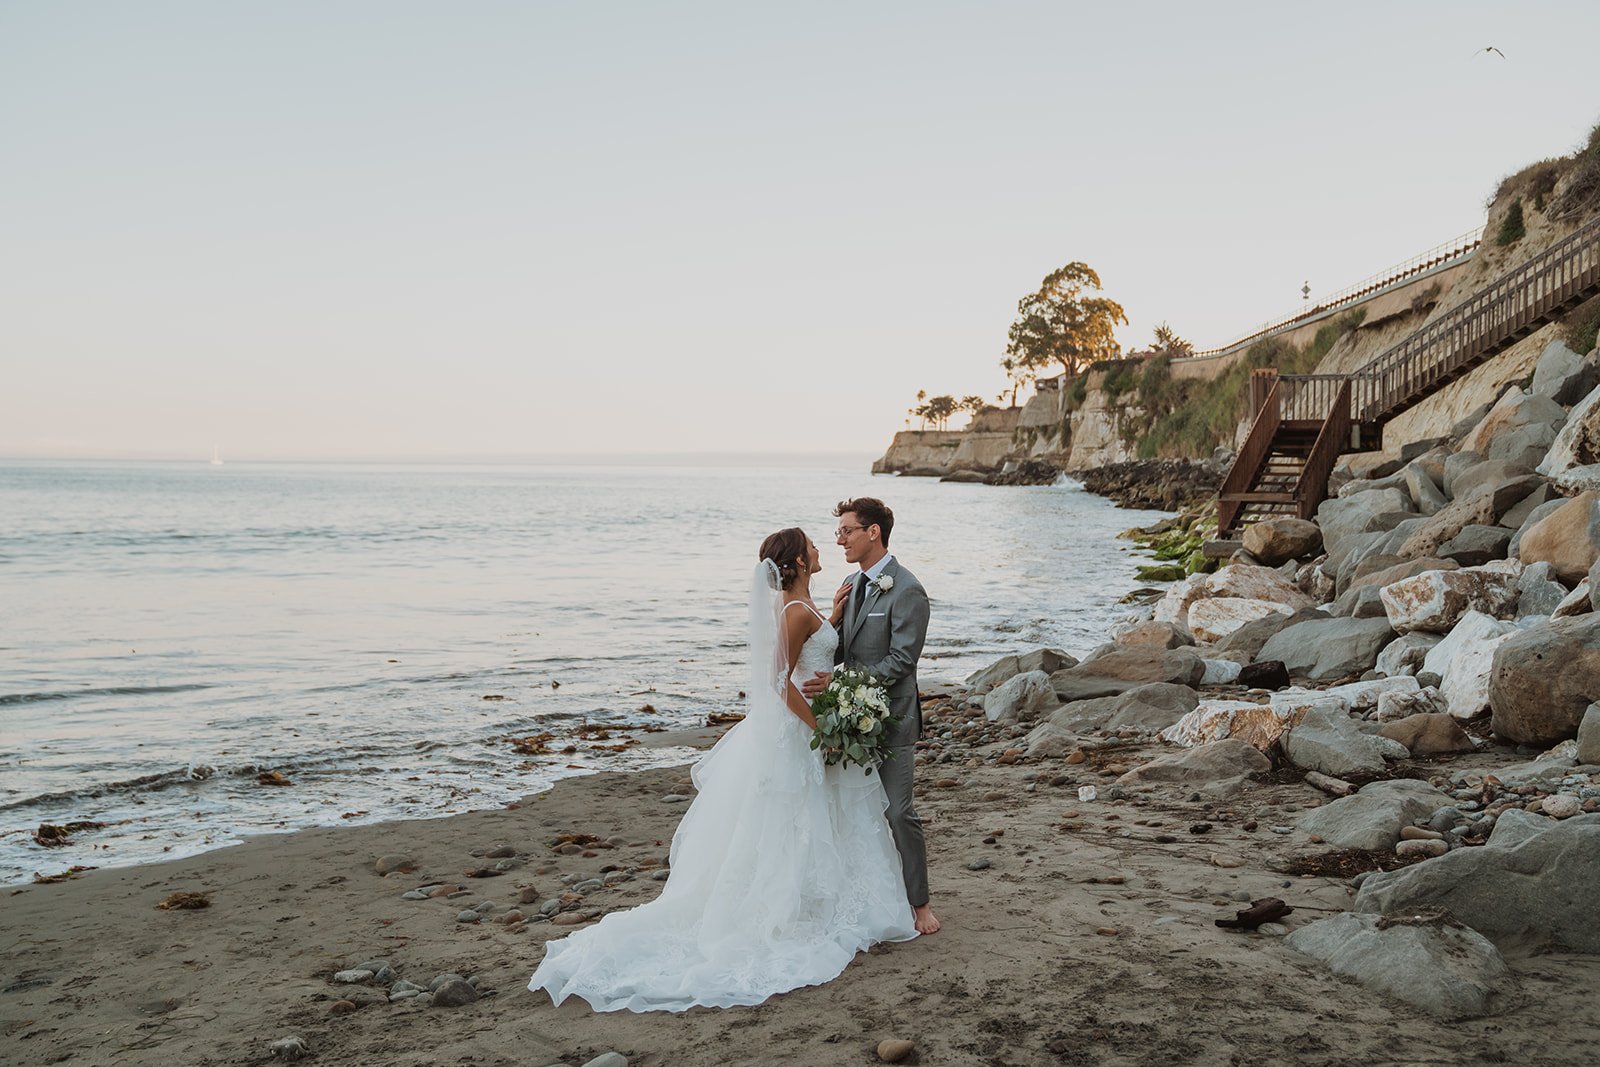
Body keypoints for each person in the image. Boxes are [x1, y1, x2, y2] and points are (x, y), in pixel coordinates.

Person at [527, 528, 916, 1013]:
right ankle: (788, 911)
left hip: (802, 726)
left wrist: (833, 618)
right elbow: (779, 679)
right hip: (799, 731)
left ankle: (818, 900)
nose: (821, 549)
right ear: (798, 558)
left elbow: (812, 651)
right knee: (794, 820)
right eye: (814, 546)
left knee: (811, 817)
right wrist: (823, 727)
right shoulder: (795, 613)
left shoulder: (805, 609)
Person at [802, 497, 938, 935]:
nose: (838, 538)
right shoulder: (850, 583)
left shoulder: (907, 588)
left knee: (899, 813)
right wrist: (833, 618)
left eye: (846, 530)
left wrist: (840, 686)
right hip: (847, 720)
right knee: (850, 811)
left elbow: (902, 660)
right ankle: (860, 900)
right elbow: (836, 650)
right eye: (839, 531)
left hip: (892, 718)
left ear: (873, 532)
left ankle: (920, 905)